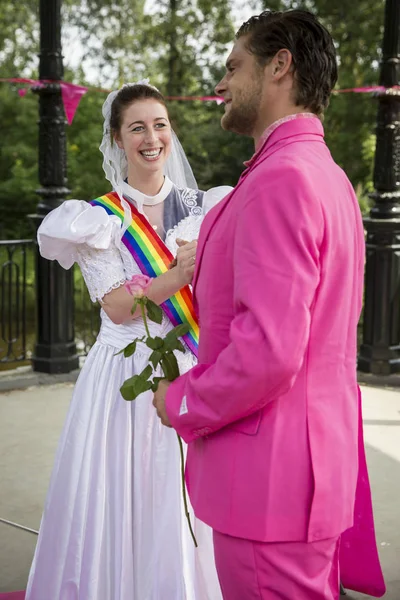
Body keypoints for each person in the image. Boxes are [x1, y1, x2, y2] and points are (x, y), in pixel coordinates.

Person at [153, 10, 385, 600]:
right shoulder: (326, 175)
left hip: (270, 488)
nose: (221, 83)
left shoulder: (281, 178)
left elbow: (269, 352)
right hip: (306, 475)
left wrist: (181, 400)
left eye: (234, 66)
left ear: (279, 65)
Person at [25, 81, 230, 600]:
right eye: (136, 127)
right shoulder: (100, 218)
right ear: (118, 139)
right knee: (118, 494)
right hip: (124, 374)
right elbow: (117, 303)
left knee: (180, 494)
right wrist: (179, 274)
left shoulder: (205, 206)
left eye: (159, 124)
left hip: (188, 366)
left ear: (171, 132)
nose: (151, 137)